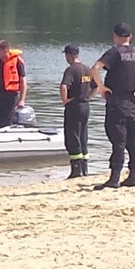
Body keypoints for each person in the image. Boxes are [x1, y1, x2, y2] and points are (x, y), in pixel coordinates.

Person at [90, 22, 135, 189]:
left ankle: (115, 177)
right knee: (133, 138)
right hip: (132, 100)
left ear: (115, 36)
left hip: (116, 100)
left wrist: (101, 87)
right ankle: (133, 175)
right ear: (130, 37)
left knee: (118, 139)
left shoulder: (114, 53)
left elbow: (95, 68)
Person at [60, 44, 96, 178]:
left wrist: (65, 101)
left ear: (70, 55)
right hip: (85, 105)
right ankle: (85, 169)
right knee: (83, 135)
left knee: (72, 135)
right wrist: (88, 97)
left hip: (74, 105)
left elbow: (64, 86)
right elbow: (96, 86)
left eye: (66, 55)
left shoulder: (71, 70)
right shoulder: (87, 69)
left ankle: (76, 171)